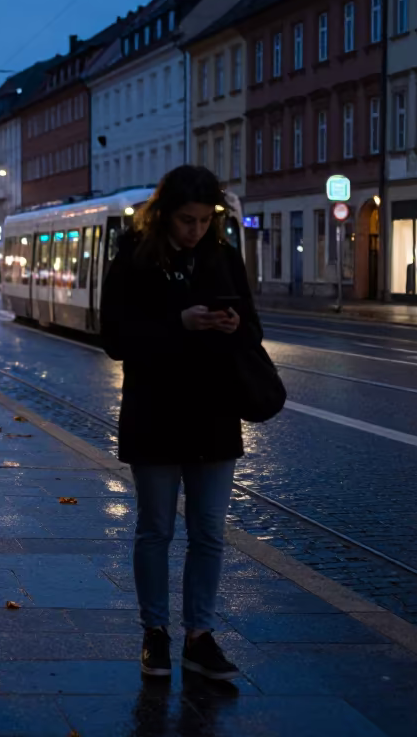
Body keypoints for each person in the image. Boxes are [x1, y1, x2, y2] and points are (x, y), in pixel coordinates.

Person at [100, 165, 261, 683]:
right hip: (156, 412)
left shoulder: (223, 257)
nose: (195, 229)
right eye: (186, 220)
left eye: (204, 220)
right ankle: (155, 634)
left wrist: (233, 326)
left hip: (214, 413)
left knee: (210, 532)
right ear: (164, 213)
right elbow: (115, 339)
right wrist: (179, 323)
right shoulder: (133, 259)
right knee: (156, 530)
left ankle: (200, 636)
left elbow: (253, 330)